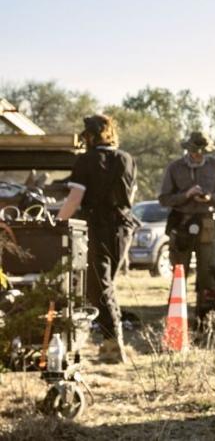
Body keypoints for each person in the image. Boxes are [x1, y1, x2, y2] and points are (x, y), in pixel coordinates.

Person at [56, 115, 139, 363]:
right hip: (123, 227)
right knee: (106, 284)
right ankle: (110, 343)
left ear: (91, 136)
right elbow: (131, 196)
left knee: (98, 286)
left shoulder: (87, 160)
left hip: (99, 226)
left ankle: (114, 345)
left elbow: (74, 199)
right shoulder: (127, 158)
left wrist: (57, 222)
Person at [159, 131, 215, 316]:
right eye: (194, 150)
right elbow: (164, 199)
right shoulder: (174, 168)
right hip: (181, 223)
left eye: (201, 151)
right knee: (179, 273)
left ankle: (205, 318)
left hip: (207, 223)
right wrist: (186, 195)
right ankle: (175, 315)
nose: (198, 154)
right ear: (188, 149)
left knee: (208, 273)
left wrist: (210, 197)